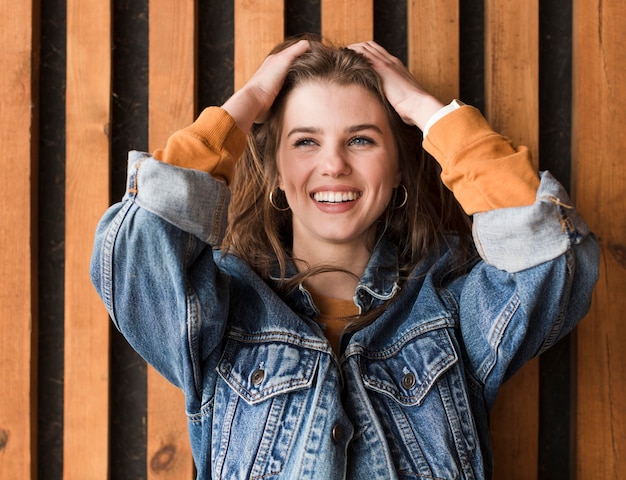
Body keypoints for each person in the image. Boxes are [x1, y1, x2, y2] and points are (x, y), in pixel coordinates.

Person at [90, 36, 599, 479]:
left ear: (398, 167)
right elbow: (135, 258)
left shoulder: (452, 310)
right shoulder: (217, 316)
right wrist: (239, 112)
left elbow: (549, 255)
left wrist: (430, 114)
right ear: (274, 170)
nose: (333, 164)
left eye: (361, 139)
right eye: (306, 141)